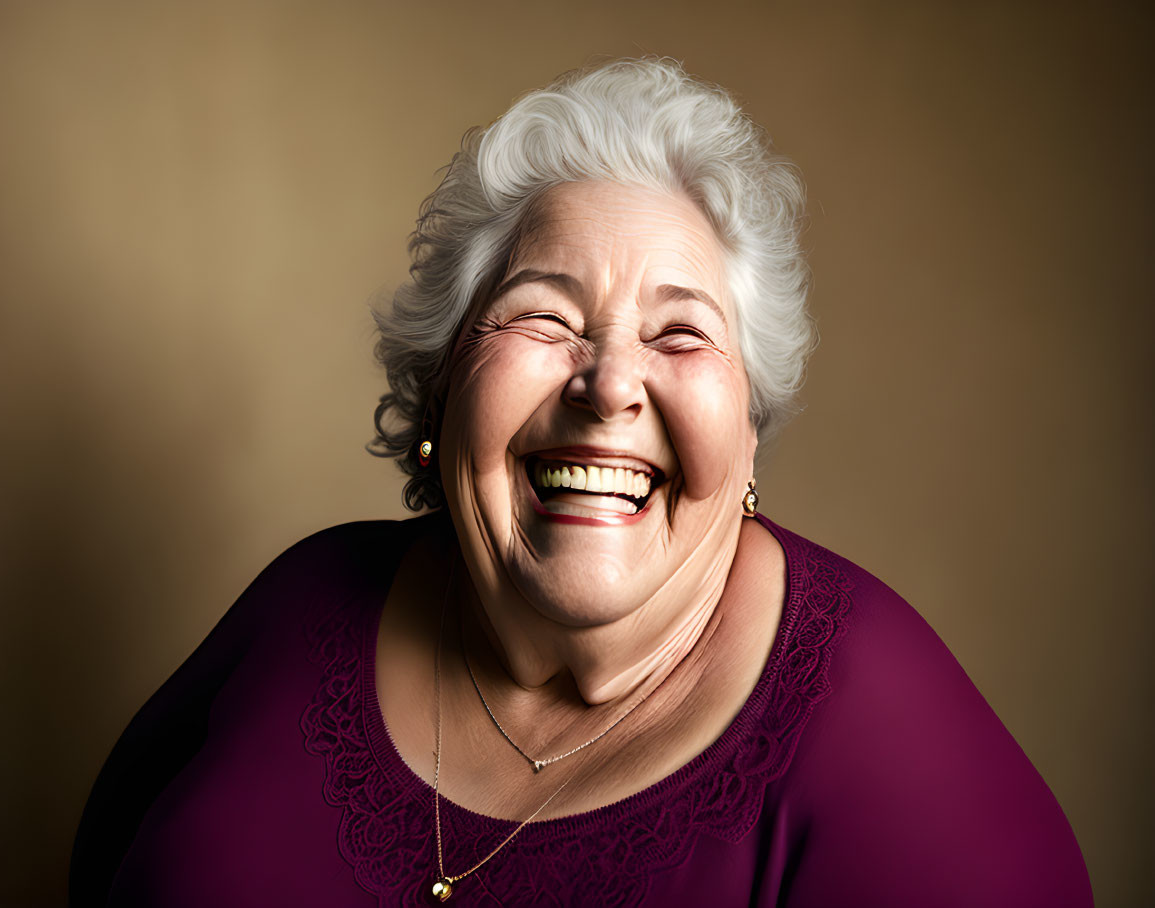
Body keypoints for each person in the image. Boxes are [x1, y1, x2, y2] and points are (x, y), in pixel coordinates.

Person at [71, 58, 1092, 907]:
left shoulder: (885, 727)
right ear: (441, 392)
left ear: (744, 432)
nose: (609, 384)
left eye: (679, 332)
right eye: (544, 317)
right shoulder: (300, 605)